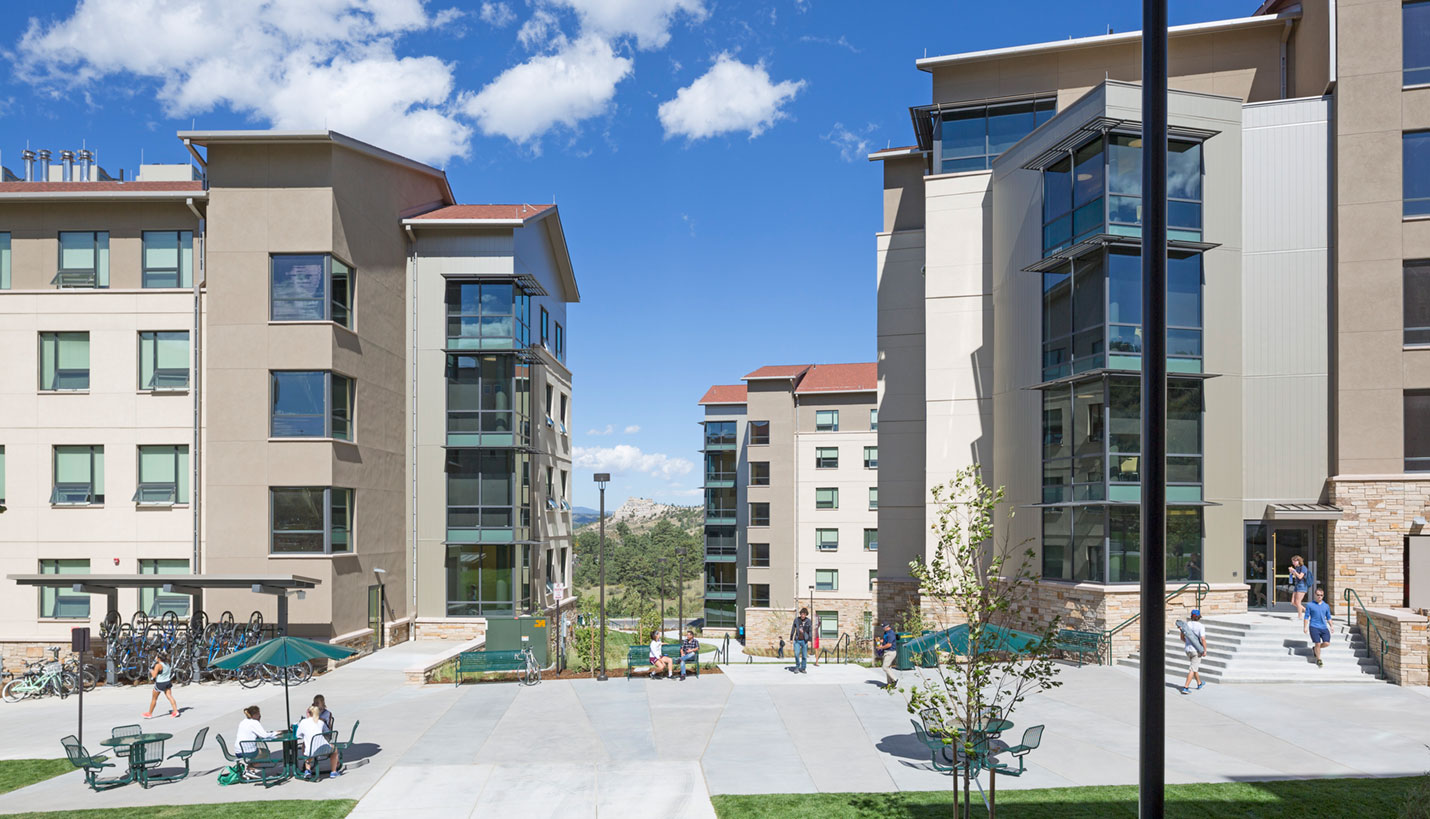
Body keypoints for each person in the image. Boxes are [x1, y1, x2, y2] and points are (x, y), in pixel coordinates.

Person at [295, 705, 341, 779]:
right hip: (323, 748)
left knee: (305, 746)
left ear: (308, 713)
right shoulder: (320, 722)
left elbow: (298, 735)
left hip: (311, 751)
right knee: (334, 749)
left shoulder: (303, 722)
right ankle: (333, 772)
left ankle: (307, 769)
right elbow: (327, 732)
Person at [235, 705, 277, 780]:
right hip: (248, 752)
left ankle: (249, 770)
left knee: (258, 752)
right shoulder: (254, 723)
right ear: (256, 714)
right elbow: (264, 735)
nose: (260, 716)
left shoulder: (243, 722)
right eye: (259, 714)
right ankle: (250, 769)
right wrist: (275, 733)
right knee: (265, 753)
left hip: (238, 751)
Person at [1303, 587, 1334, 668]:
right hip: (1314, 626)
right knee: (1317, 643)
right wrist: (1305, 627)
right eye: (1318, 595)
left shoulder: (1326, 606)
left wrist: (1331, 626)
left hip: (1323, 627)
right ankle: (1319, 659)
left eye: (1321, 595)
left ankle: (1315, 649)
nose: (1319, 596)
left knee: (1327, 643)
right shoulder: (1310, 605)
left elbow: (1328, 617)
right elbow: (1306, 617)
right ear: (1315, 595)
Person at [142, 651, 179, 719]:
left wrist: (151, 671)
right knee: (169, 696)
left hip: (160, 683)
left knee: (154, 699)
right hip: (167, 682)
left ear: (159, 658)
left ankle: (149, 713)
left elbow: (154, 675)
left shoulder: (158, 665)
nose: (156, 657)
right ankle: (175, 711)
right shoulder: (167, 663)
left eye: (157, 656)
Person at [1179, 609, 1207, 695]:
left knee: (1194, 667)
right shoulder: (1201, 626)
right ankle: (1186, 687)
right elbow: (1203, 639)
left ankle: (1199, 683)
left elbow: (1182, 637)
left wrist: (1188, 643)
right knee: (1192, 668)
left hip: (1188, 650)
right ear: (1199, 617)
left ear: (1191, 616)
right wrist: (1205, 650)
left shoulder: (1187, 625)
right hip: (1196, 650)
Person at [790, 608, 813, 673]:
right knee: (796, 654)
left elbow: (810, 630)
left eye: (804, 614)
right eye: (801, 614)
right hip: (797, 640)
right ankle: (797, 666)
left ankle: (803, 668)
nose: (802, 615)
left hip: (804, 640)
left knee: (804, 656)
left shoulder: (808, 621)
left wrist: (810, 639)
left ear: (806, 615)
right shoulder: (796, 620)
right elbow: (793, 629)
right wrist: (791, 638)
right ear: (800, 614)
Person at [877, 624, 898, 689]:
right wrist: (880, 641)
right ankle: (889, 683)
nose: (883, 628)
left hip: (890, 652)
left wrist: (881, 647)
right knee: (887, 667)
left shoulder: (891, 634)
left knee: (885, 667)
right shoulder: (886, 633)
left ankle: (894, 680)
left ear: (887, 627)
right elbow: (885, 640)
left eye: (884, 627)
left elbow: (889, 644)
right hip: (886, 652)